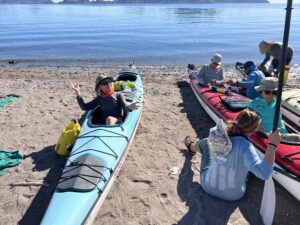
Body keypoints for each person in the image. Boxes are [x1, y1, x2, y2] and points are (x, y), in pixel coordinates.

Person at [184, 109, 280, 201]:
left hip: (208, 187)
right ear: (253, 130)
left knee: (206, 143)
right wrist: (272, 145)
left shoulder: (218, 134)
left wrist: (253, 127)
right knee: (248, 164)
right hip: (234, 195)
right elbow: (264, 173)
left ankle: (192, 147)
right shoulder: (246, 146)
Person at [70, 75, 140, 125]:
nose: (108, 84)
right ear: (100, 88)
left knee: (109, 119)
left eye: (109, 81)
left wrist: (130, 107)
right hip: (101, 123)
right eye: (105, 83)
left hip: (116, 120)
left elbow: (125, 108)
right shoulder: (99, 99)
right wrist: (78, 93)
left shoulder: (118, 95)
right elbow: (85, 107)